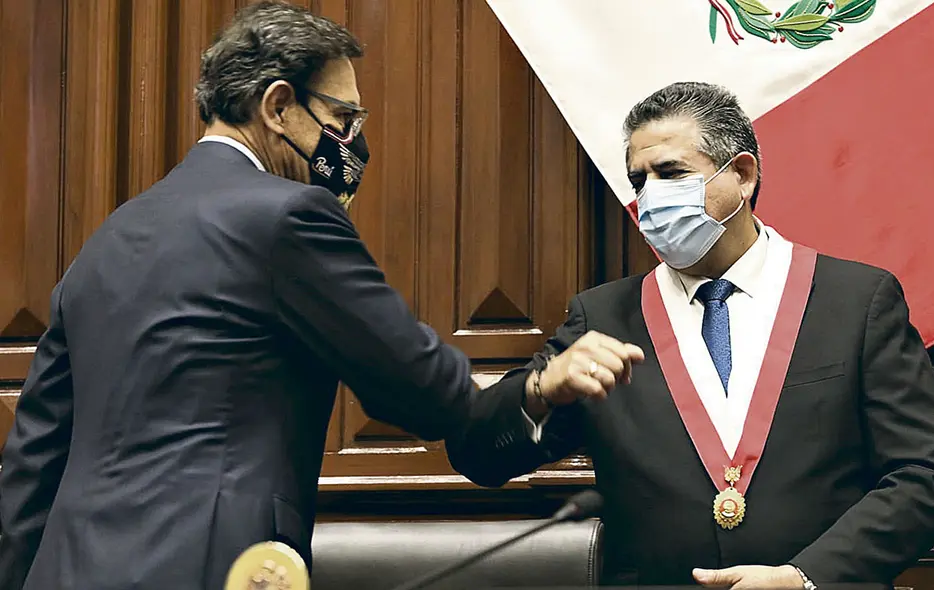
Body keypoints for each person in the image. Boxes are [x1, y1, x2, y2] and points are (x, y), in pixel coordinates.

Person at [0, 4, 549, 589]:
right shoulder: (290, 216)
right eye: (344, 119)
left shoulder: (105, 242)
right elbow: (421, 388)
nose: (352, 145)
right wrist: (533, 389)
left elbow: (34, 458)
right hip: (211, 566)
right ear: (279, 106)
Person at [446, 82, 934, 589]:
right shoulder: (602, 317)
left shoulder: (856, 300)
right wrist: (538, 390)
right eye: (639, 181)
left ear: (741, 174)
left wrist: (808, 578)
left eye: (670, 173)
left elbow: (926, 478)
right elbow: (478, 458)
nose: (650, 198)